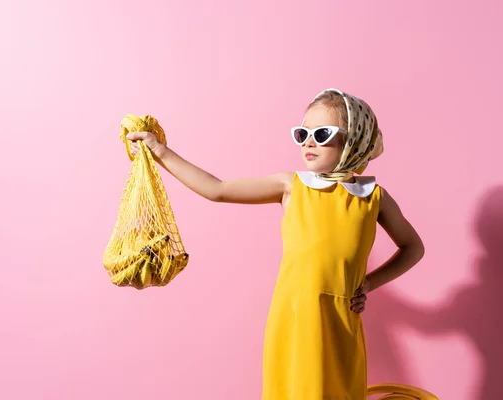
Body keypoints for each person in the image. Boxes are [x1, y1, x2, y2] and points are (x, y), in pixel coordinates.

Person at [126, 88, 425, 399]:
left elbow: (412, 247)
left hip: (341, 320)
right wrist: (159, 151)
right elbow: (217, 189)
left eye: (322, 134)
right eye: (302, 133)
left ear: (354, 140)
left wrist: (368, 284)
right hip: (294, 316)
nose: (309, 142)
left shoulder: (373, 198)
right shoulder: (290, 186)